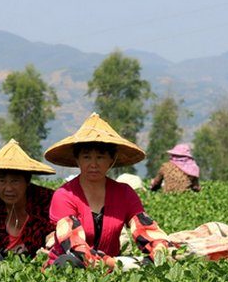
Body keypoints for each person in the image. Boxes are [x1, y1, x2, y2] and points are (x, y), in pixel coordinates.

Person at [44, 113, 171, 269]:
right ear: (77, 159)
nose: (93, 164)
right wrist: (114, 263)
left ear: (112, 160)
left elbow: (144, 228)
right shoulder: (64, 195)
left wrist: (159, 250)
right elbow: (73, 243)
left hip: (112, 270)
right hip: (74, 265)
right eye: (86, 157)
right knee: (68, 263)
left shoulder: (124, 193)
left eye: (100, 157)